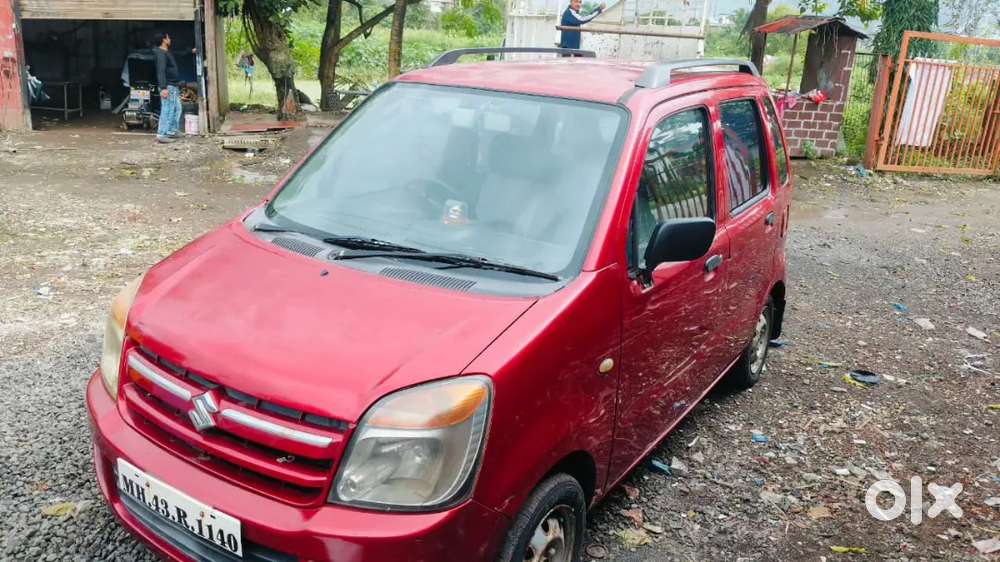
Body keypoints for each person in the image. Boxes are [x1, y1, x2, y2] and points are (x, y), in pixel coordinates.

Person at [154, 32, 184, 144]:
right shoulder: (160, 54)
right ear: (164, 40)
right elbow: (160, 72)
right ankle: (161, 134)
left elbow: (179, 53)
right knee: (167, 110)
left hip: (173, 86)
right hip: (168, 86)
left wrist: (190, 51)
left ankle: (171, 130)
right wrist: (163, 88)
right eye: (168, 37)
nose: (170, 39)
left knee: (177, 108)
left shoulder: (167, 52)